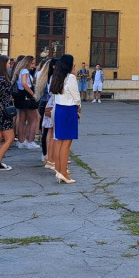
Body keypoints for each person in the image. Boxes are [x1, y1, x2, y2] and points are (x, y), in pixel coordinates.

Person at [50, 54, 81, 184]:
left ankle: (59, 169)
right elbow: (76, 97)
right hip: (69, 109)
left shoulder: (56, 77)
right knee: (66, 144)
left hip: (59, 109)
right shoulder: (71, 78)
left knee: (59, 141)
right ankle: (63, 172)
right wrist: (79, 108)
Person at [13, 55, 40, 149]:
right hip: (27, 96)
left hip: (21, 96)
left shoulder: (20, 71)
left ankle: (21, 141)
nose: (33, 65)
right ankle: (30, 141)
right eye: (32, 63)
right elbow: (24, 83)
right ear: (28, 63)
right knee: (34, 119)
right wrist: (32, 93)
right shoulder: (25, 71)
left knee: (22, 119)